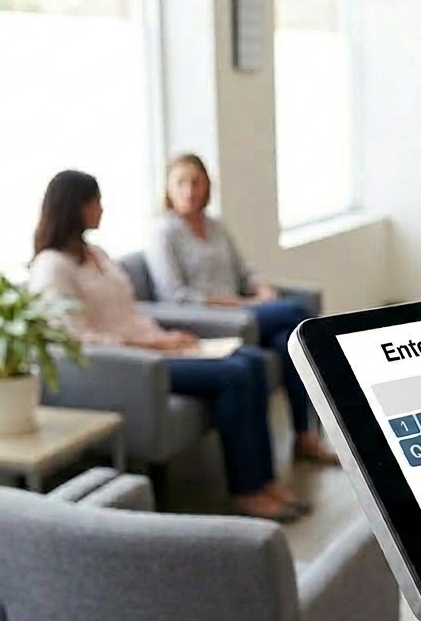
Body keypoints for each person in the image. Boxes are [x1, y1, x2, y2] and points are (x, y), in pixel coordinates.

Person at [29, 170, 310, 523]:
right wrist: (157, 344)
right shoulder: (52, 267)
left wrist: (170, 334)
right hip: (132, 361)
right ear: (78, 207)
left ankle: (265, 482)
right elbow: (77, 339)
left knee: (252, 361)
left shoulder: (95, 253)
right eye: (96, 201)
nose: (102, 208)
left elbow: (130, 312)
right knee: (235, 374)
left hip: (155, 346)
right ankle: (247, 492)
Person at [144, 154, 338, 466]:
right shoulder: (163, 232)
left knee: (289, 343)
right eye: (181, 182)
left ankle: (304, 437)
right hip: (212, 319)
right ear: (167, 188)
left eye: (196, 182)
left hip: (246, 316)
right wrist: (245, 304)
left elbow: (245, 272)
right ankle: (341, 387)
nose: (189, 190)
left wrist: (262, 289)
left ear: (207, 186)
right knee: (299, 315)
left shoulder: (215, 226)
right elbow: (176, 297)